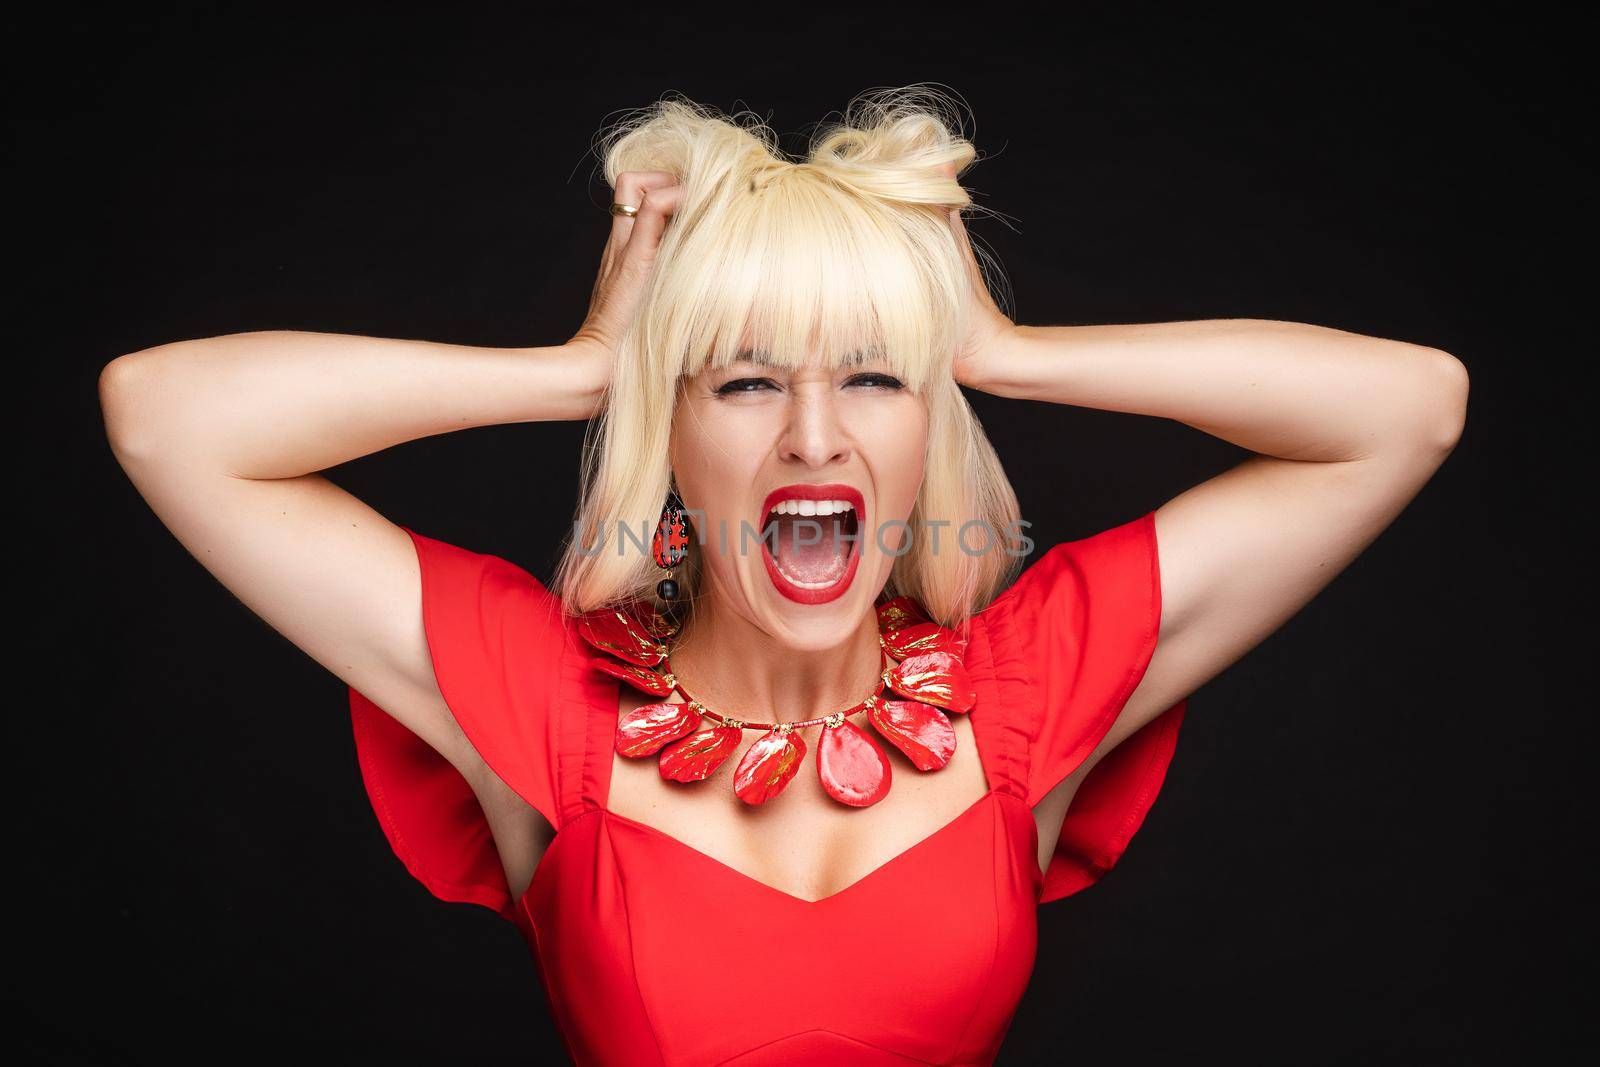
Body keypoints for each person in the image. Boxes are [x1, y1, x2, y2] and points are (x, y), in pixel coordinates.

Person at [97, 86, 1468, 1065]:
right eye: (746, 382)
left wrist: (998, 351)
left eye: (875, 377)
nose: (816, 434)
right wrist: (576, 369)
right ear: (672, 436)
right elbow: (167, 418)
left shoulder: (1031, 693)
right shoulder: (536, 704)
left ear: (926, 428)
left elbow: (1408, 409)